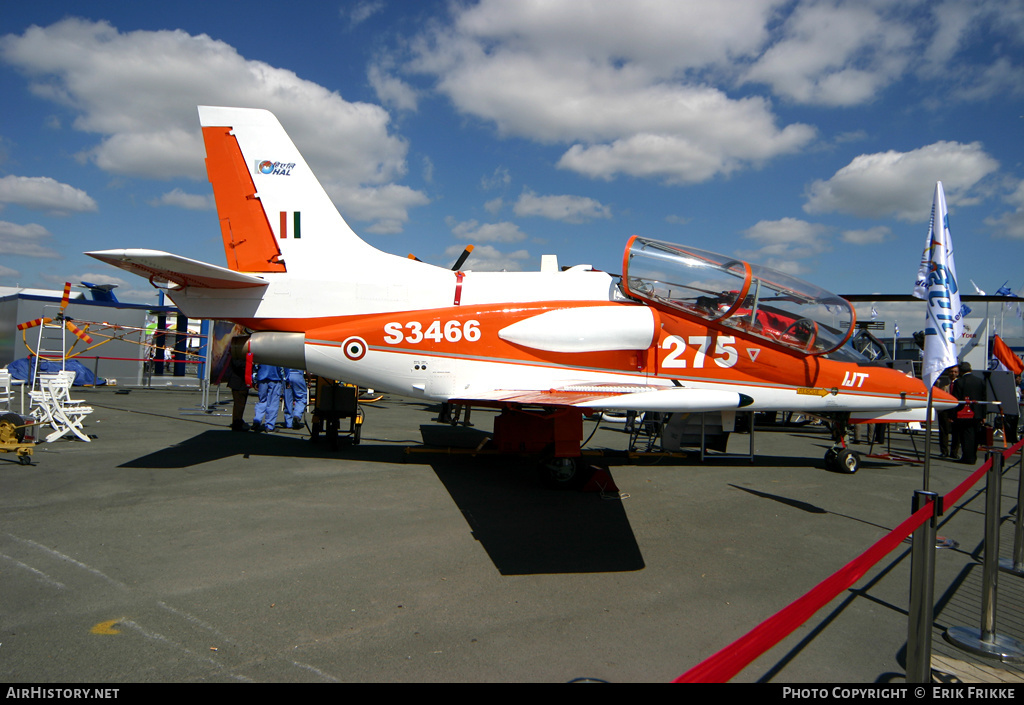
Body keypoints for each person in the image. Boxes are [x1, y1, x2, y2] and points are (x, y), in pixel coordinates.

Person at [952, 361, 985, 464]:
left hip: (964, 414)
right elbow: (984, 398)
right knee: (975, 436)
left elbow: (956, 399)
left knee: (965, 436)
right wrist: (983, 415)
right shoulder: (980, 381)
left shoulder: (959, 382)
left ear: (960, 371)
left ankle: (967, 457)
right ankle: (973, 456)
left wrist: (953, 414)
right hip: (977, 413)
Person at [252, 363, 284, 433]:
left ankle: (257, 419)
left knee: (262, 400)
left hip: (262, 376)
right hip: (275, 377)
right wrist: (284, 379)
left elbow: (256, 366)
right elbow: (281, 367)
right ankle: (269, 425)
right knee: (273, 403)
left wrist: (255, 380)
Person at [226, 355, 250, 432]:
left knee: (240, 404)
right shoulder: (236, 357)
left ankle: (238, 421)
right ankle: (237, 423)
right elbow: (237, 364)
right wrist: (249, 363)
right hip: (238, 383)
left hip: (240, 383)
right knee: (239, 404)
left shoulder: (236, 356)